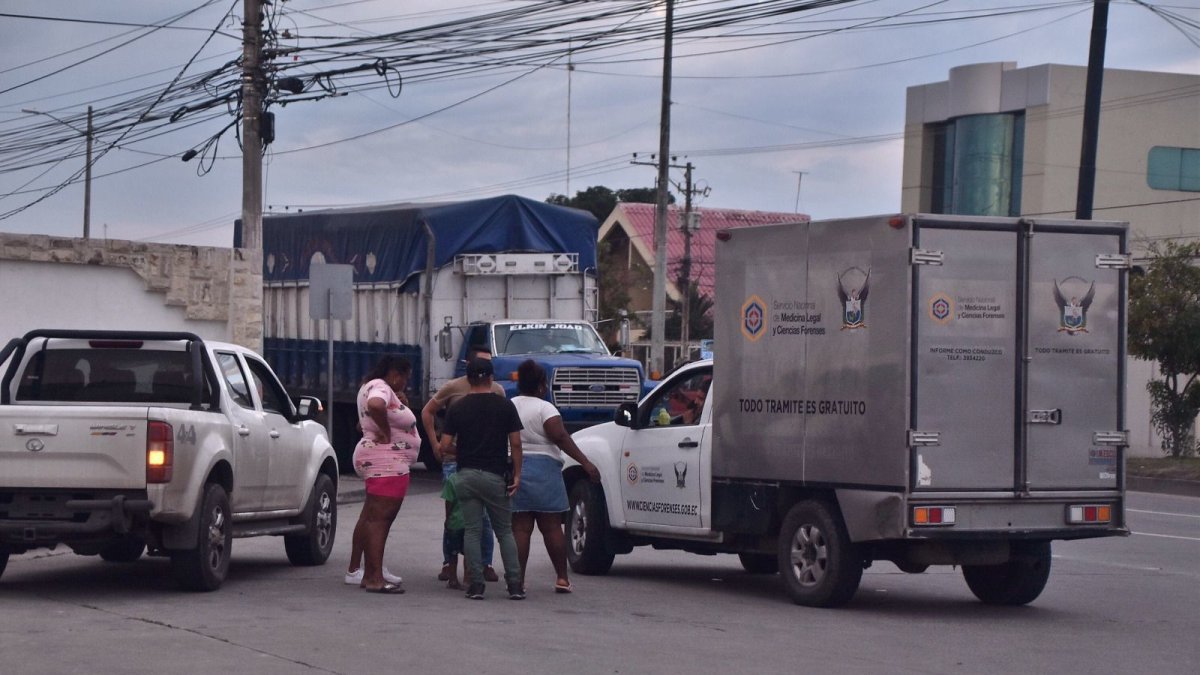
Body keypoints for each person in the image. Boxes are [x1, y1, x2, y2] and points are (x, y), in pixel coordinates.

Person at [510, 359, 600, 594]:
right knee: (551, 527)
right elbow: (559, 436)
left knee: (520, 528)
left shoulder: (509, 405)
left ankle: (517, 580)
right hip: (545, 471)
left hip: (516, 469)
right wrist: (585, 462)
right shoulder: (545, 408)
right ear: (541, 385)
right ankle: (561, 578)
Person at [439, 356, 524, 600]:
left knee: (472, 531)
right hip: (495, 475)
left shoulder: (458, 407)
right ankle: (515, 584)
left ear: (468, 378)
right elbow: (516, 444)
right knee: (504, 531)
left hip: (465, 475)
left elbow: (445, 445)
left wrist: (464, 451)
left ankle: (476, 585)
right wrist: (517, 474)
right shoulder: (505, 406)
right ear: (490, 377)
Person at [421, 346, 505, 589]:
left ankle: (484, 563)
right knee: (454, 517)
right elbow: (428, 412)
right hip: (454, 460)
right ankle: (450, 563)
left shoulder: (497, 391)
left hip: (484, 460)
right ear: (469, 364)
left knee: (484, 516)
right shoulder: (453, 387)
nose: (484, 370)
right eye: (480, 364)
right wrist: (435, 443)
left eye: (488, 364)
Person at [345, 355, 419, 593]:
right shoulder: (381, 387)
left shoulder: (370, 386)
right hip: (387, 463)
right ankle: (375, 577)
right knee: (380, 521)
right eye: (405, 378)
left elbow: (363, 421)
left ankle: (365, 571)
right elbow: (375, 406)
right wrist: (386, 431)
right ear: (396, 374)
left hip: (376, 459)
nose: (405, 383)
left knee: (370, 517)